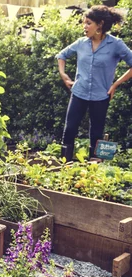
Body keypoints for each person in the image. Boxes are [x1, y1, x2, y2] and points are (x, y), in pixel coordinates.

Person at [56, 5, 132, 161]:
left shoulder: (115, 44)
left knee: (97, 133)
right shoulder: (81, 43)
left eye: (88, 23)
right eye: (84, 23)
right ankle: (64, 168)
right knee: (69, 130)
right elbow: (61, 55)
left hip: (101, 95)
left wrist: (115, 84)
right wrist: (63, 75)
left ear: (100, 25)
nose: (85, 26)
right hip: (79, 92)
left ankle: (94, 173)